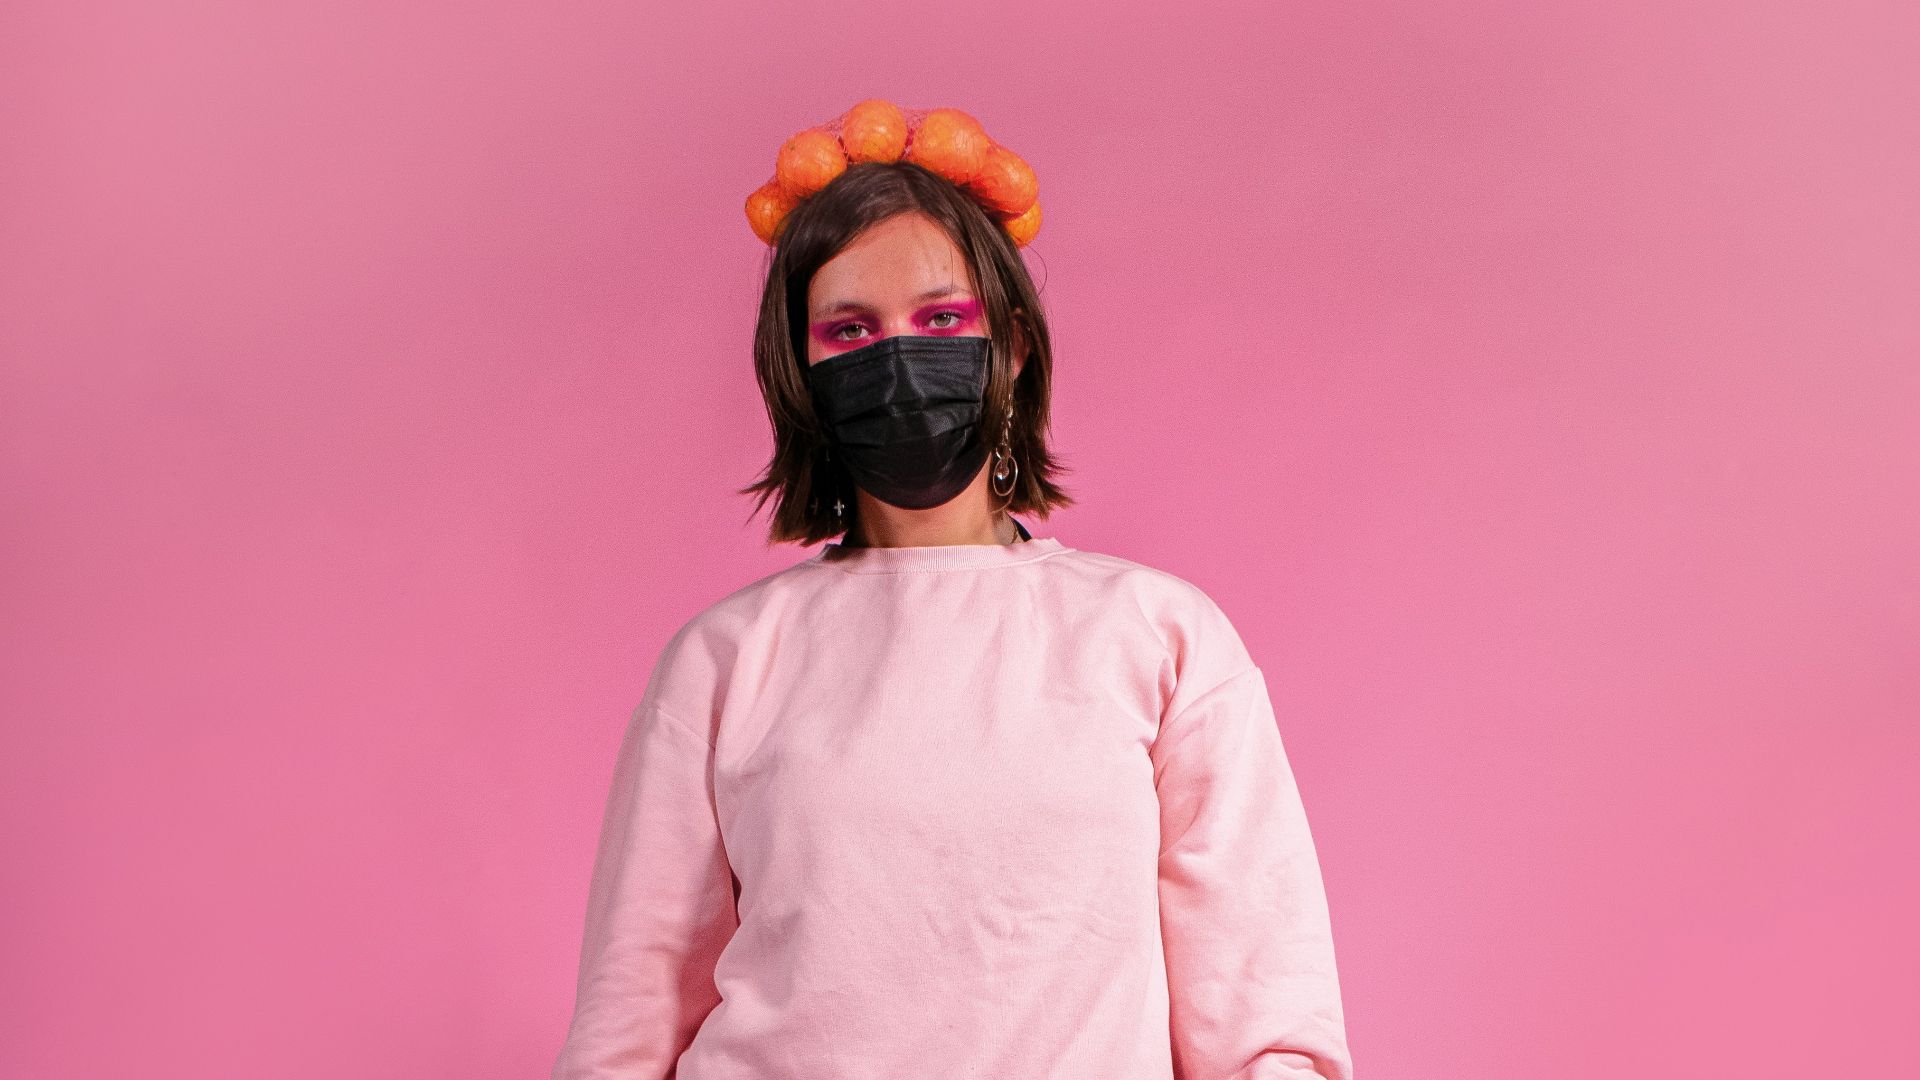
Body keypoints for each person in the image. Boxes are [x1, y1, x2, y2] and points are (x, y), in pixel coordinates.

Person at [551, 102, 1353, 1080]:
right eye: (851, 329)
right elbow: (628, 1031)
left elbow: (1269, 1022)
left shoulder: (1162, 637)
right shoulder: (721, 663)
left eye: (940, 320)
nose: (898, 359)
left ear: (1011, 345)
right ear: (801, 371)